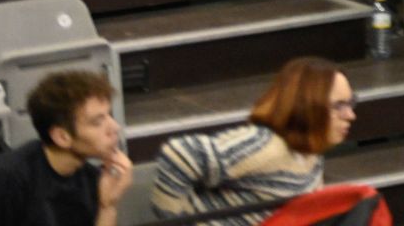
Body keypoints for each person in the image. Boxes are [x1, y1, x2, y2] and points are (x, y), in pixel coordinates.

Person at [150, 57, 353, 224]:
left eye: (351, 103)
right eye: (338, 106)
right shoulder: (264, 146)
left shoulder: (311, 153)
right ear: (307, 106)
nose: (350, 115)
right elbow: (177, 155)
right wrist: (175, 221)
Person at [0, 68, 129, 226]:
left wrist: (108, 206)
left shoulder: (92, 178)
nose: (115, 127)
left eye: (109, 116)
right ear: (62, 137)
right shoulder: (2, 181)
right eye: (97, 122)